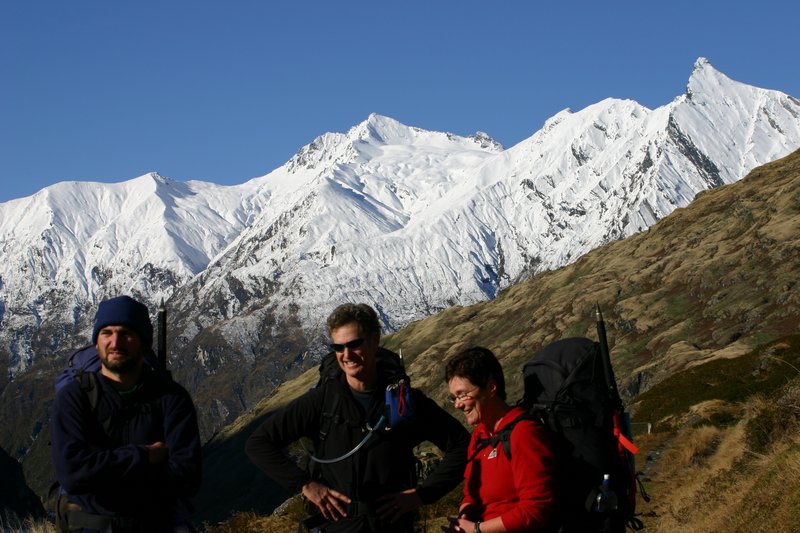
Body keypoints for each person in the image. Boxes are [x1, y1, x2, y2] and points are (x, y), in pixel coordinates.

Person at [245, 303, 470, 532]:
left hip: (391, 527)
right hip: (335, 527)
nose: (347, 355)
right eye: (338, 347)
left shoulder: (404, 401)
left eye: (354, 344)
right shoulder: (321, 401)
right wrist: (305, 484)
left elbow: (462, 446)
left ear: (374, 341)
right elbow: (259, 443)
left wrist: (423, 495)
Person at [50, 295, 202, 533]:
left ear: (143, 342)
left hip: (154, 526)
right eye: (107, 333)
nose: (115, 342)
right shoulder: (75, 397)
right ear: (96, 342)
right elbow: (71, 474)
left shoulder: (171, 398)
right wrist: (144, 456)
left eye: (126, 333)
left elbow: (187, 477)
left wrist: (100, 469)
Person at [444, 347, 556, 533]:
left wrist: (477, 529)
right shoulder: (479, 436)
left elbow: (537, 509)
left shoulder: (523, 433)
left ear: (491, 388)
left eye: (462, 395)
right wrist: (464, 517)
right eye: (454, 397)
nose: (457, 404)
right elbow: (471, 495)